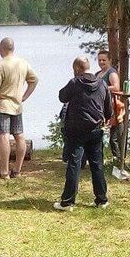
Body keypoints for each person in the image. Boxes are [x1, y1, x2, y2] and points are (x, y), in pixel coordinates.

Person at [54, 57, 112, 211]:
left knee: (74, 164)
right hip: (96, 130)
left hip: (76, 130)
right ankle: (102, 200)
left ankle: (68, 202)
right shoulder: (102, 83)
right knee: (97, 165)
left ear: (77, 69)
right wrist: (105, 118)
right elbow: (108, 109)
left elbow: (62, 96)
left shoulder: (75, 83)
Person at [0, 37, 38, 178]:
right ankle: (17, 170)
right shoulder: (23, 63)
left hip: (2, 106)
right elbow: (34, 80)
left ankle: (4, 171)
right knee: (19, 136)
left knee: (3, 136)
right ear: (12, 48)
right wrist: (24, 96)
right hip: (16, 106)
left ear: (1, 49)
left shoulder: (0, 66)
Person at [96, 50, 124, 160]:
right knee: (98, 135)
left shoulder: (111, 72)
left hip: (112, 107)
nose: (101, 62)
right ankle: (98, 159)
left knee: (114, 138)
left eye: (104, 60)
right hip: (99, 108)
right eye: (99, 60)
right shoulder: (97, 74)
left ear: (110, 60)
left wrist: (101, 87)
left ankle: (118, 159)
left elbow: (116, 87)